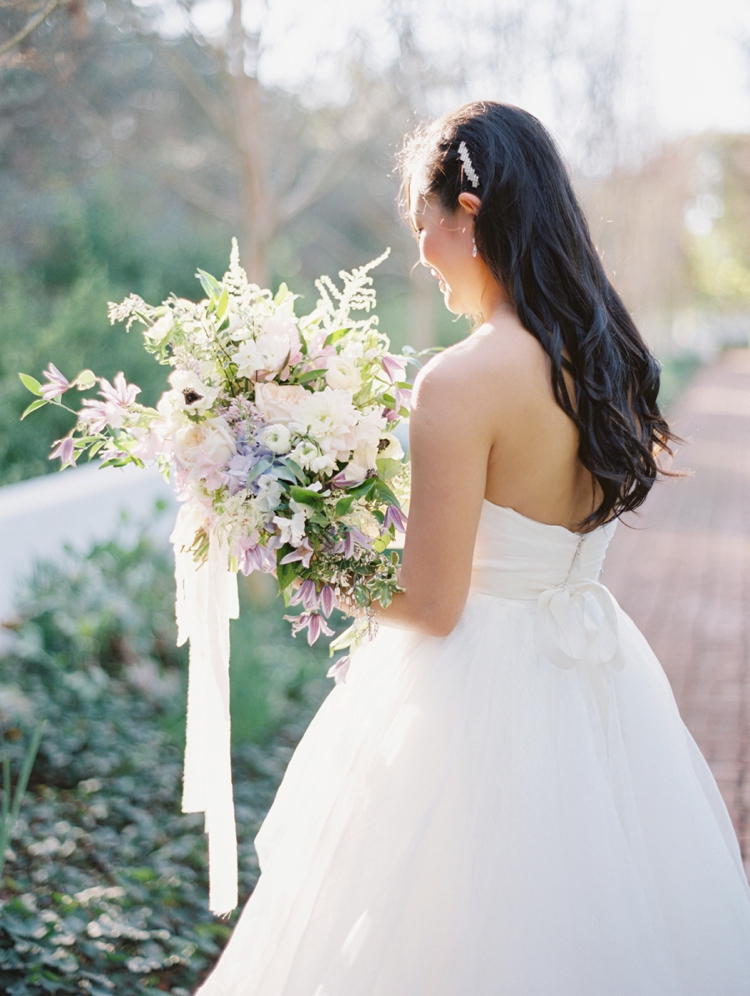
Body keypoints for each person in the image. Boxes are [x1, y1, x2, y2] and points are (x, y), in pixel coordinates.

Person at [196, 102, 750, 995]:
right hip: (598, 677)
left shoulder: (458, 382)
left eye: (424, 226)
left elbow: (431, 602)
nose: (419, 251)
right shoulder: (603, 366)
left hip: (475, 698)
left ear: (471, 211)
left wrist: (304, 546)